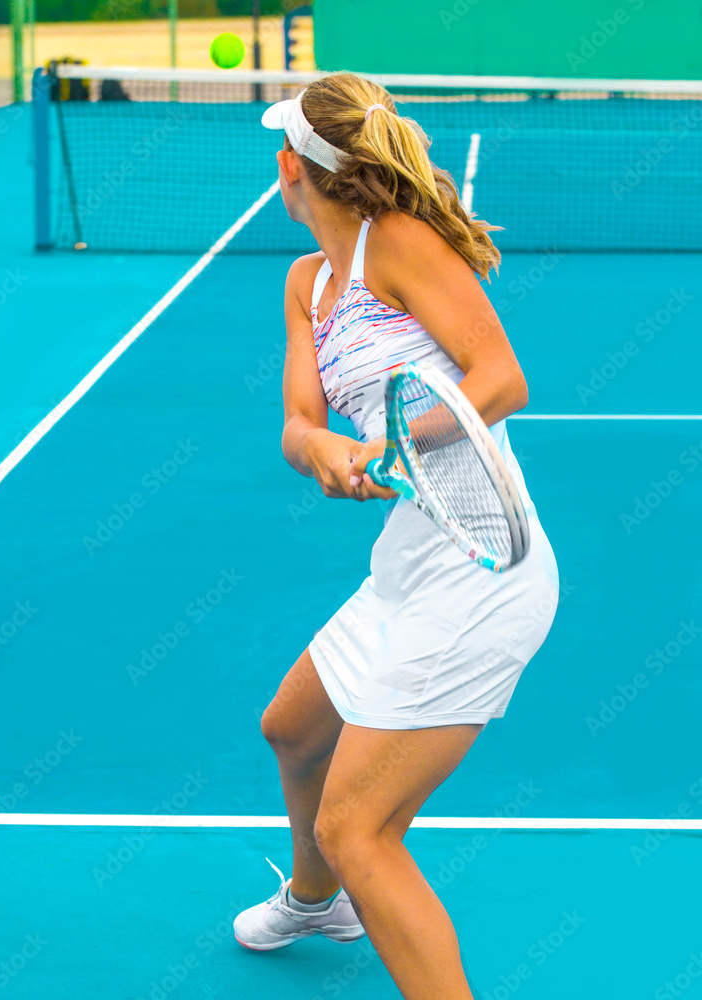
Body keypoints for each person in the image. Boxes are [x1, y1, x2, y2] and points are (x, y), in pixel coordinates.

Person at [233, 73, 560, 1000]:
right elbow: (298, 423)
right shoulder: (308, 284)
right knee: (292, 731)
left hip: (485, 573)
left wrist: (393, 445)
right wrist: (328, 454)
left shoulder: (400, 247)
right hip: (408, 568)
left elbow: (502, 377)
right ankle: (315, 901)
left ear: (295, 169)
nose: (275, 165)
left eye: (279, 151)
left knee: (360, 827)